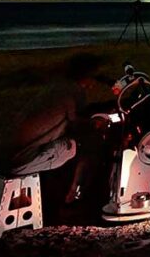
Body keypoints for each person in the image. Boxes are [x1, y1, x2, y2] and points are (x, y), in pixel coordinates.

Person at [10, 53, 112, 214]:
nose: (93, 84)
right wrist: (99, 123)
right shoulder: (73, 91)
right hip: (25, 158)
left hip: (13, 152)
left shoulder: (56, 86)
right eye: (93, 77)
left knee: (73, 144)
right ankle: (74, 196)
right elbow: (78, 125)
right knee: (89, 145)